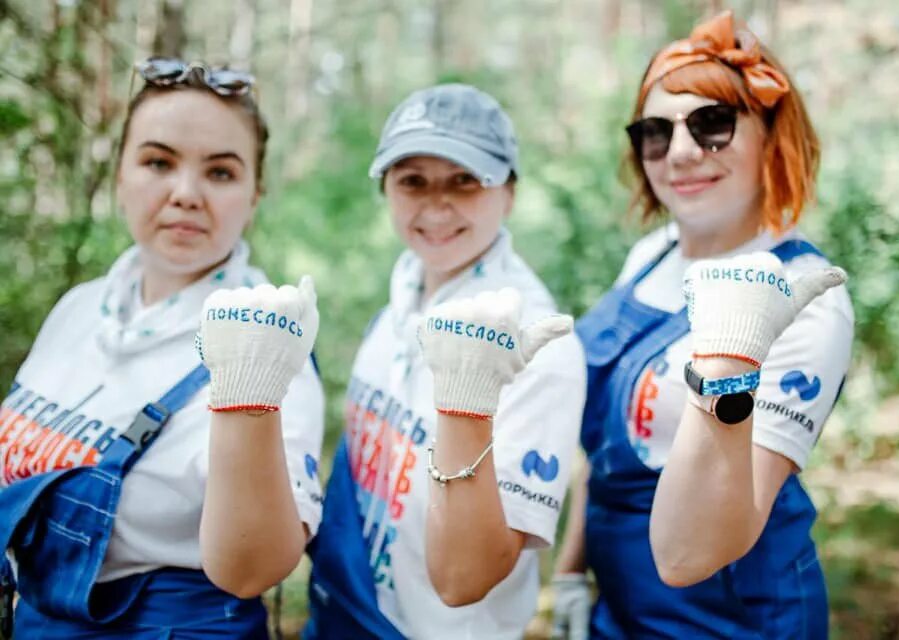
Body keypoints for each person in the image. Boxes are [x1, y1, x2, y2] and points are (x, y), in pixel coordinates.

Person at [550, 11, 854, 639]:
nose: (682, 152)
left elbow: (711, 540)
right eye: (656, 132)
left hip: (735, 617)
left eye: (712, 124)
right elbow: (604, 447)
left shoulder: (805, 295)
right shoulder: (650, 256)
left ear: (771, 135)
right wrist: (571, 572)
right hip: (621, 610)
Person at [0, 58, 325, 638]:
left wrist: (247, 386)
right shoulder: (81, 307)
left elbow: (257, 567)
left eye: (221, 173)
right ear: (121, 174)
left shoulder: (271, 341)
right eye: (158, 162)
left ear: (254, 196)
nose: (185, 194)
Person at [303, 83, 587, 639]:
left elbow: (466, 580)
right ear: (385, 189)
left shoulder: (537, 346)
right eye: (413, 181)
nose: (436, 205)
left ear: (509, 192)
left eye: (465, 180)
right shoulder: (395, 309)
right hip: (340, 618)